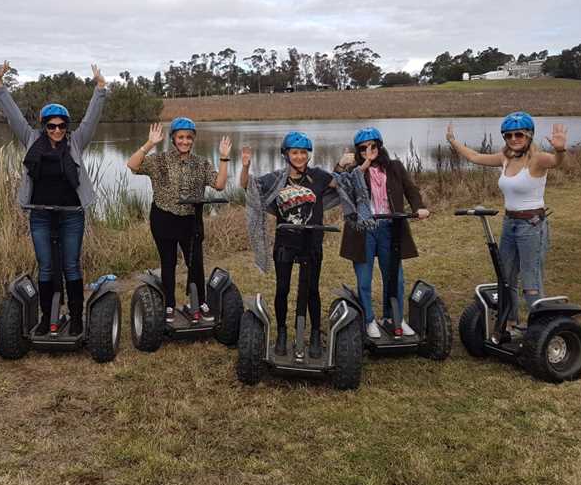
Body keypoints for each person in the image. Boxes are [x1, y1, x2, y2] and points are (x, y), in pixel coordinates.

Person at [0, 60, 108, 336]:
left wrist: (100, 89)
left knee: (70, 265)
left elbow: (92, 118)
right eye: (51, 126)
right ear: (43, 126)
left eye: (61, 126)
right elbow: (14, 116)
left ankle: (76, 317)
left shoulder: (76, 142)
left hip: (71, 214)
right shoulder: (32, 140)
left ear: (67, 126)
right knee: (45, 266)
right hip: (41, 213)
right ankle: (47, 318)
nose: (56, 130)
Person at [241, 131, 372, 358]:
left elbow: (343, 182)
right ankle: (282, 332)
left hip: (312, 243)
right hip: (285, 243)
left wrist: (352, 165)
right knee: (282, 289)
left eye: (303, 152)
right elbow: (248, 187)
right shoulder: (275, 179)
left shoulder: (318, 176)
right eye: (295, 152)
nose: (300, 156)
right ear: (286, 154)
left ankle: (313, 335)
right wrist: (244, 167)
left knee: (312, 290)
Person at [446, 112, 567, 333]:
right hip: (510, 223)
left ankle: (540, 329)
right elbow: (474, 157)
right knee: (506, 277)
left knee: (530, 279)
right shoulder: (505, 158)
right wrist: (453, 141)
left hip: (532, 225)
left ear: (529, 135)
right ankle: (510, 323)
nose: (513, 139)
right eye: (508, 135)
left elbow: (556, 162)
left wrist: (560, 150)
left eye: (518, 134)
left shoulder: (537, 159)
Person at [127, 118, 231, 324]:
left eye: (189, 138)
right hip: (163, 217)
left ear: (193, 140)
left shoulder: (201, 163)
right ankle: (169, 304)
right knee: (169, 262)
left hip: (191, 220)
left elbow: (219, 185)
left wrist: (224, 158)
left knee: (196, 263)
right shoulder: (159, 160)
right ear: (173, 138)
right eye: (181, 137)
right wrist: (149, 144)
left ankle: (200, 301)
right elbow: (132, 165)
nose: (185, 141)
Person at [337, 127, 429, 339]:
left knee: (394, 276)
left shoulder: (395, 167)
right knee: (364, 278)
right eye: (363, 148)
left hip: (390, 227)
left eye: (373, 146)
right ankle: (369, 320)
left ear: (380, 146)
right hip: (363, 229)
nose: (368, 150)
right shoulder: (354, 171)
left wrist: (418, 207)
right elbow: (338, 182)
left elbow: (411, 189)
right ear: (357, 151)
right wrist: (343, 163)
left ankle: (393, 318)